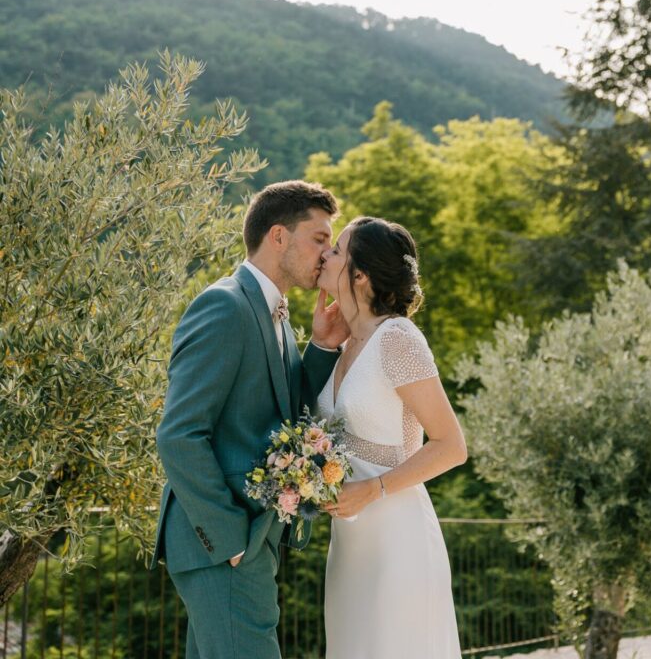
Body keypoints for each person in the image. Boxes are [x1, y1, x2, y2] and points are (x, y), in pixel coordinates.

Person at [151, 180, 349, 659]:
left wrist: (322, 346)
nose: (327, 253)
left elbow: (283, 413)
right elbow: (179, 434)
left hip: (247, 543)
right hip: (223, 544)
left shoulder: (273, 313)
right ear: (278, 236)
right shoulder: (225, 305)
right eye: (319, 239)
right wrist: (229, 538)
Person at [317, 215, 467, 659]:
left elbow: (451, 446)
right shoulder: (345, 345)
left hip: (398, 537)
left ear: (360, 275)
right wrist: (321, 343)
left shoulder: (397, 338)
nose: (326, 255)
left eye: (337, 250)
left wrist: (373, 489)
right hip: (349, 546)